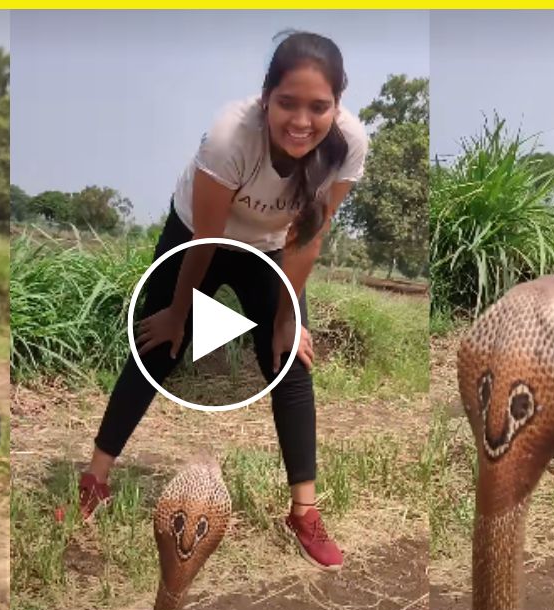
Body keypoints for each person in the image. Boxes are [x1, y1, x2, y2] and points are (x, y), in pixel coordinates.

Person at [78, 31, 369, 572]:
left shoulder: (348, 144)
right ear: (266, 98)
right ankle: (94, 480)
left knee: (290, 361)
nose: (301, 120)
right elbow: (205, 243)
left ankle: (303, 511)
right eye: (287, 103)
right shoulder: (230, 137)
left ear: (337, 104)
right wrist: (177, 314)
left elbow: (310, 235)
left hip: (272, 248)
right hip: (197, 233)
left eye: (318, 106)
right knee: (154, 349)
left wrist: (287, 319)